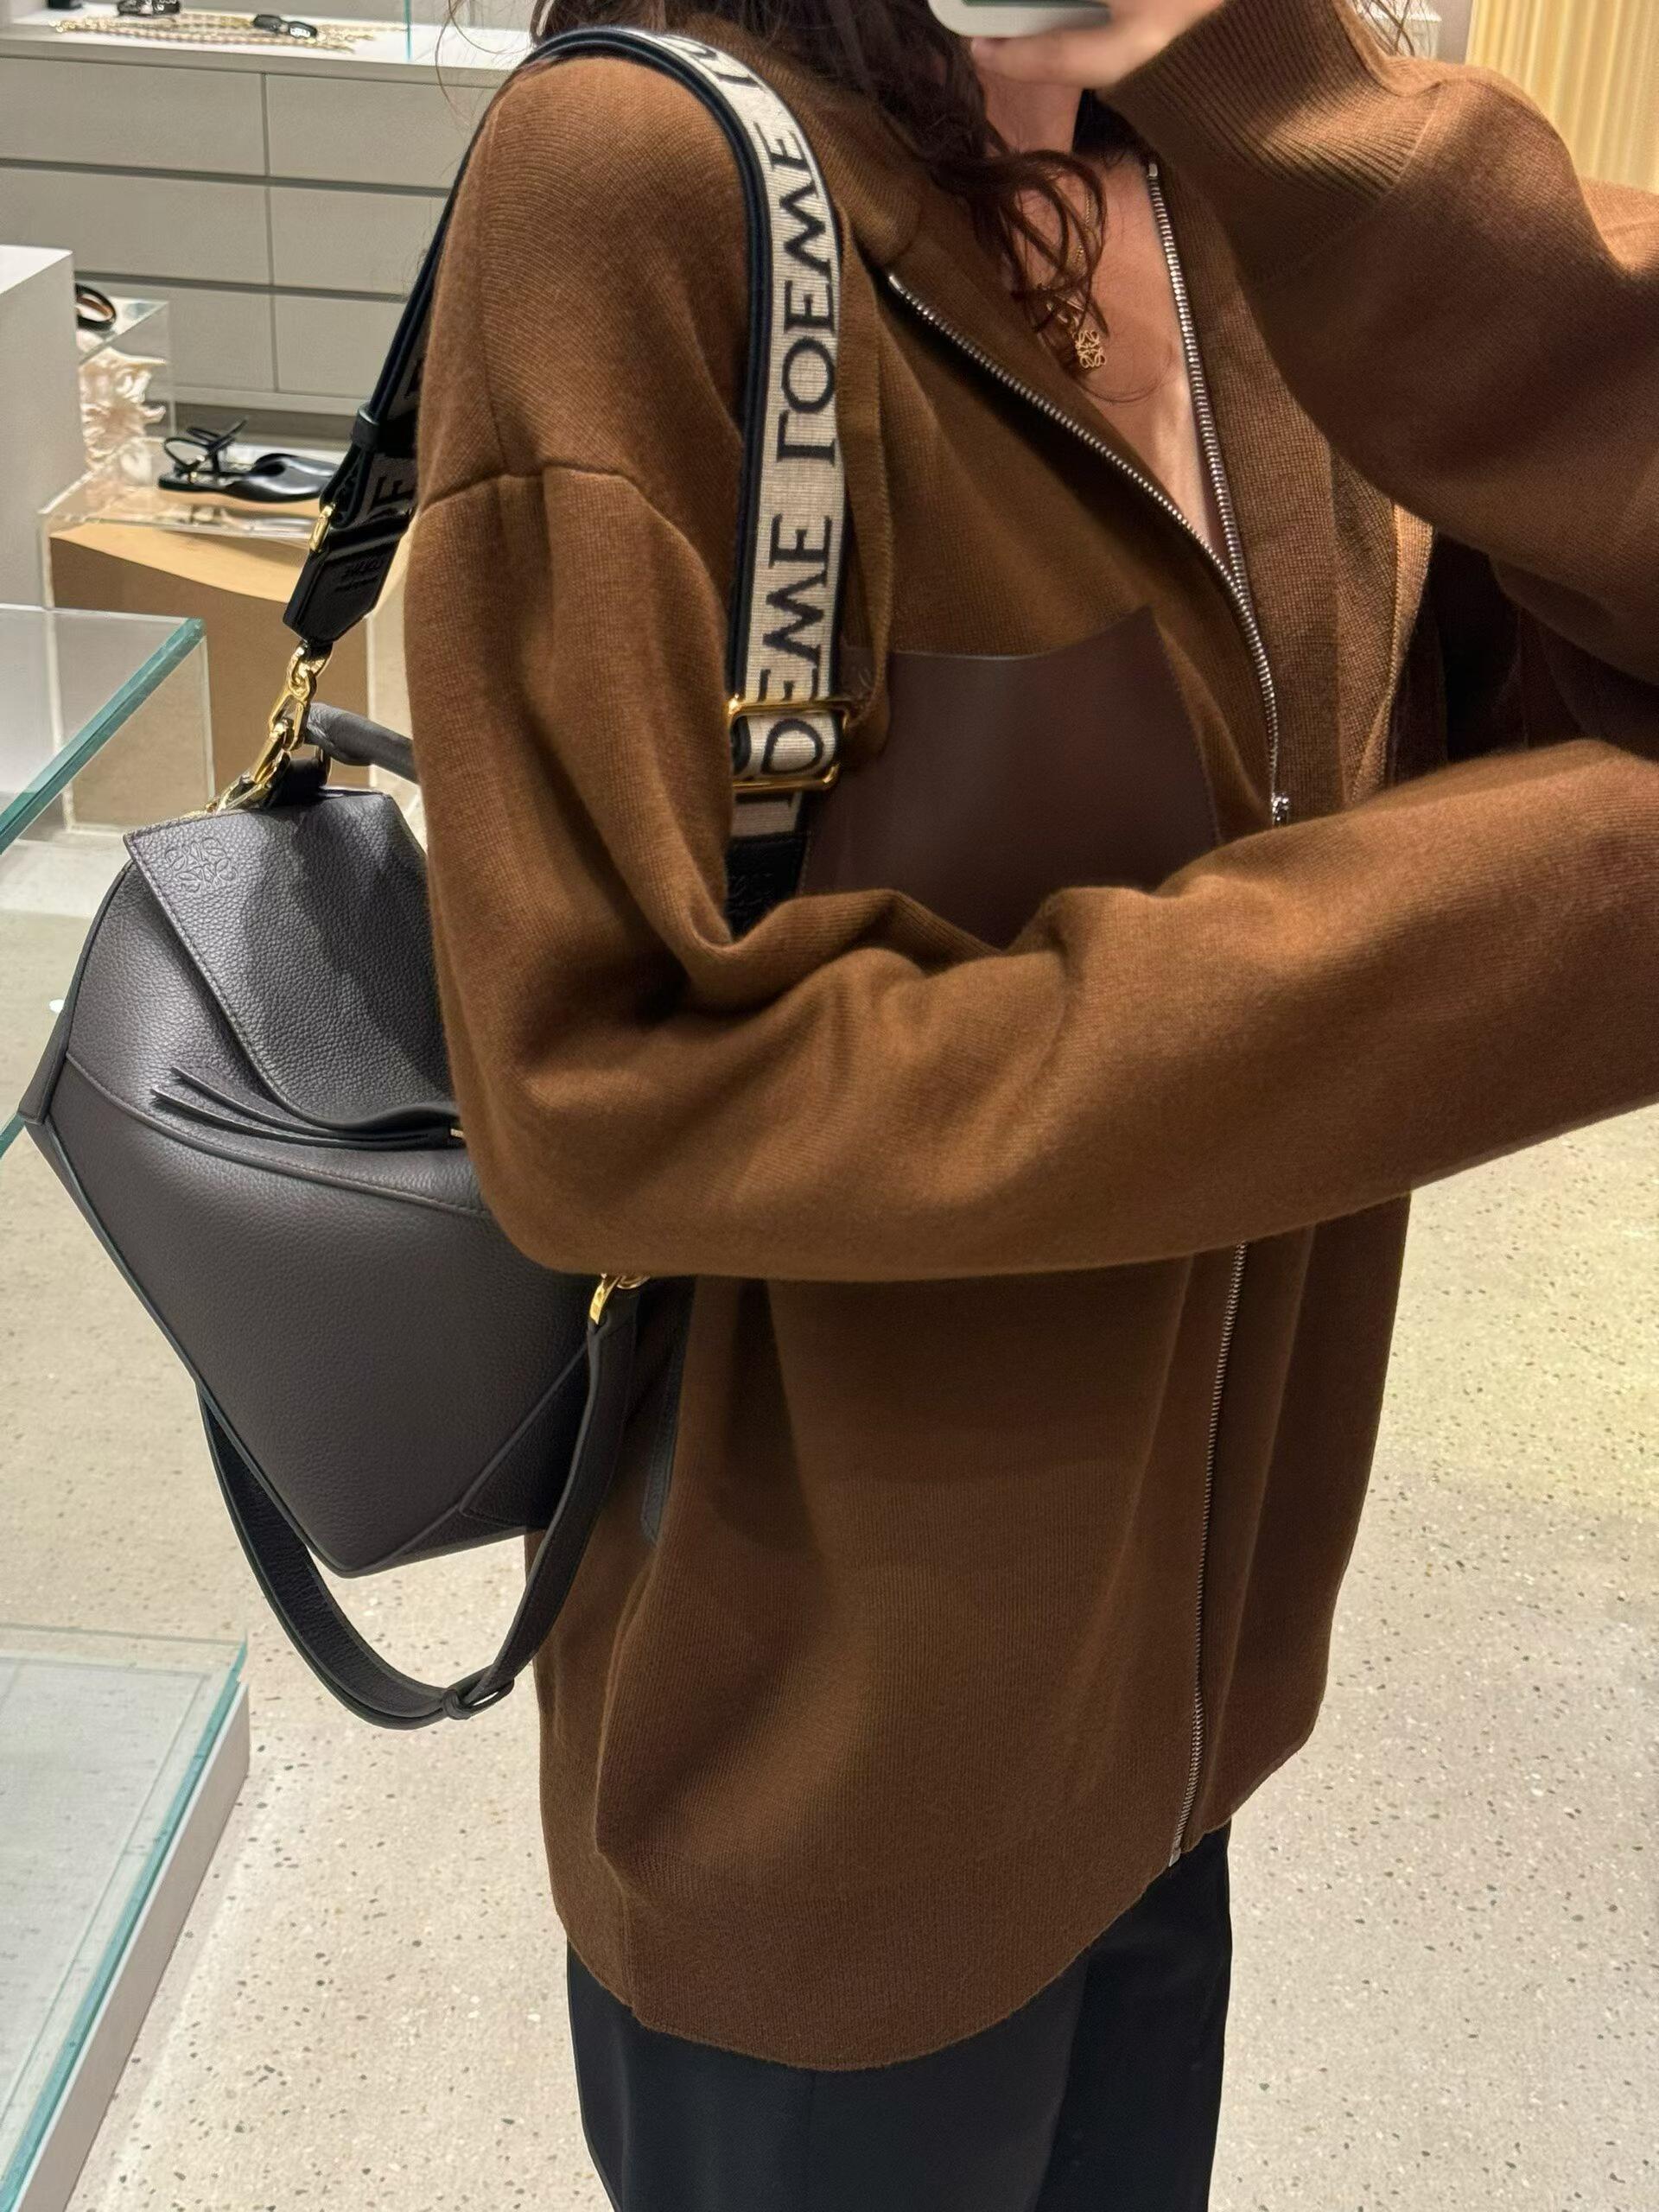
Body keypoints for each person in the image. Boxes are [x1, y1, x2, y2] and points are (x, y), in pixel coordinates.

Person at [404, 1, 1659, 2203]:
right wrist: (1552, 932)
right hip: (831, 1786)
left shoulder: (1240, 187)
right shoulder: (640, 176)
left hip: (1181, 1722)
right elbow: (600, 1087)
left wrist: (1265, 82)